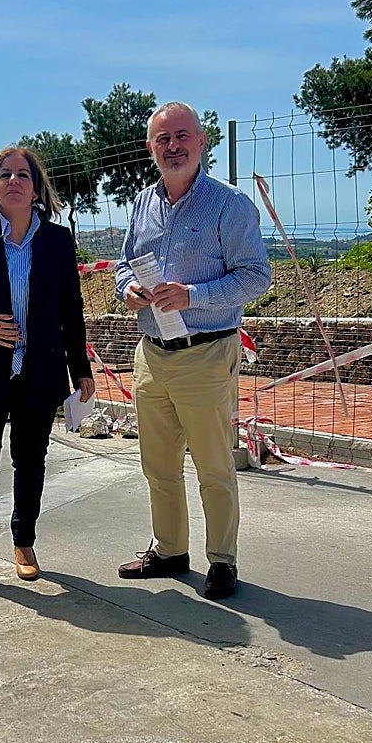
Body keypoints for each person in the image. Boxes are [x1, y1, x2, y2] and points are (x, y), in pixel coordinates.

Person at [114, 102, 271, 599]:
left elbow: (257, 276)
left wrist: (193, 296)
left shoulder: (230, 205)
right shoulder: (142, 204)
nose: (173, 146)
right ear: (150, 148)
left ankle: (223, 562)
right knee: (157, 465)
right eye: (163, 139)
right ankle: (170, 550)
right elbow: (122, 267)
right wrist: (127, 292)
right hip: (152, 354)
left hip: (206, 353)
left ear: (202, 142)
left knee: (213, 468)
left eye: (182, 136)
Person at [0, 146, 96, 597]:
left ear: (36, 187)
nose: (14, 181)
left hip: (39, 373)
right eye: (5, 174)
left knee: (30, 462)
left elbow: (72, 308)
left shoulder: (57, 241)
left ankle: (23, 544)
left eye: (23, 174)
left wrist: (80, 368)